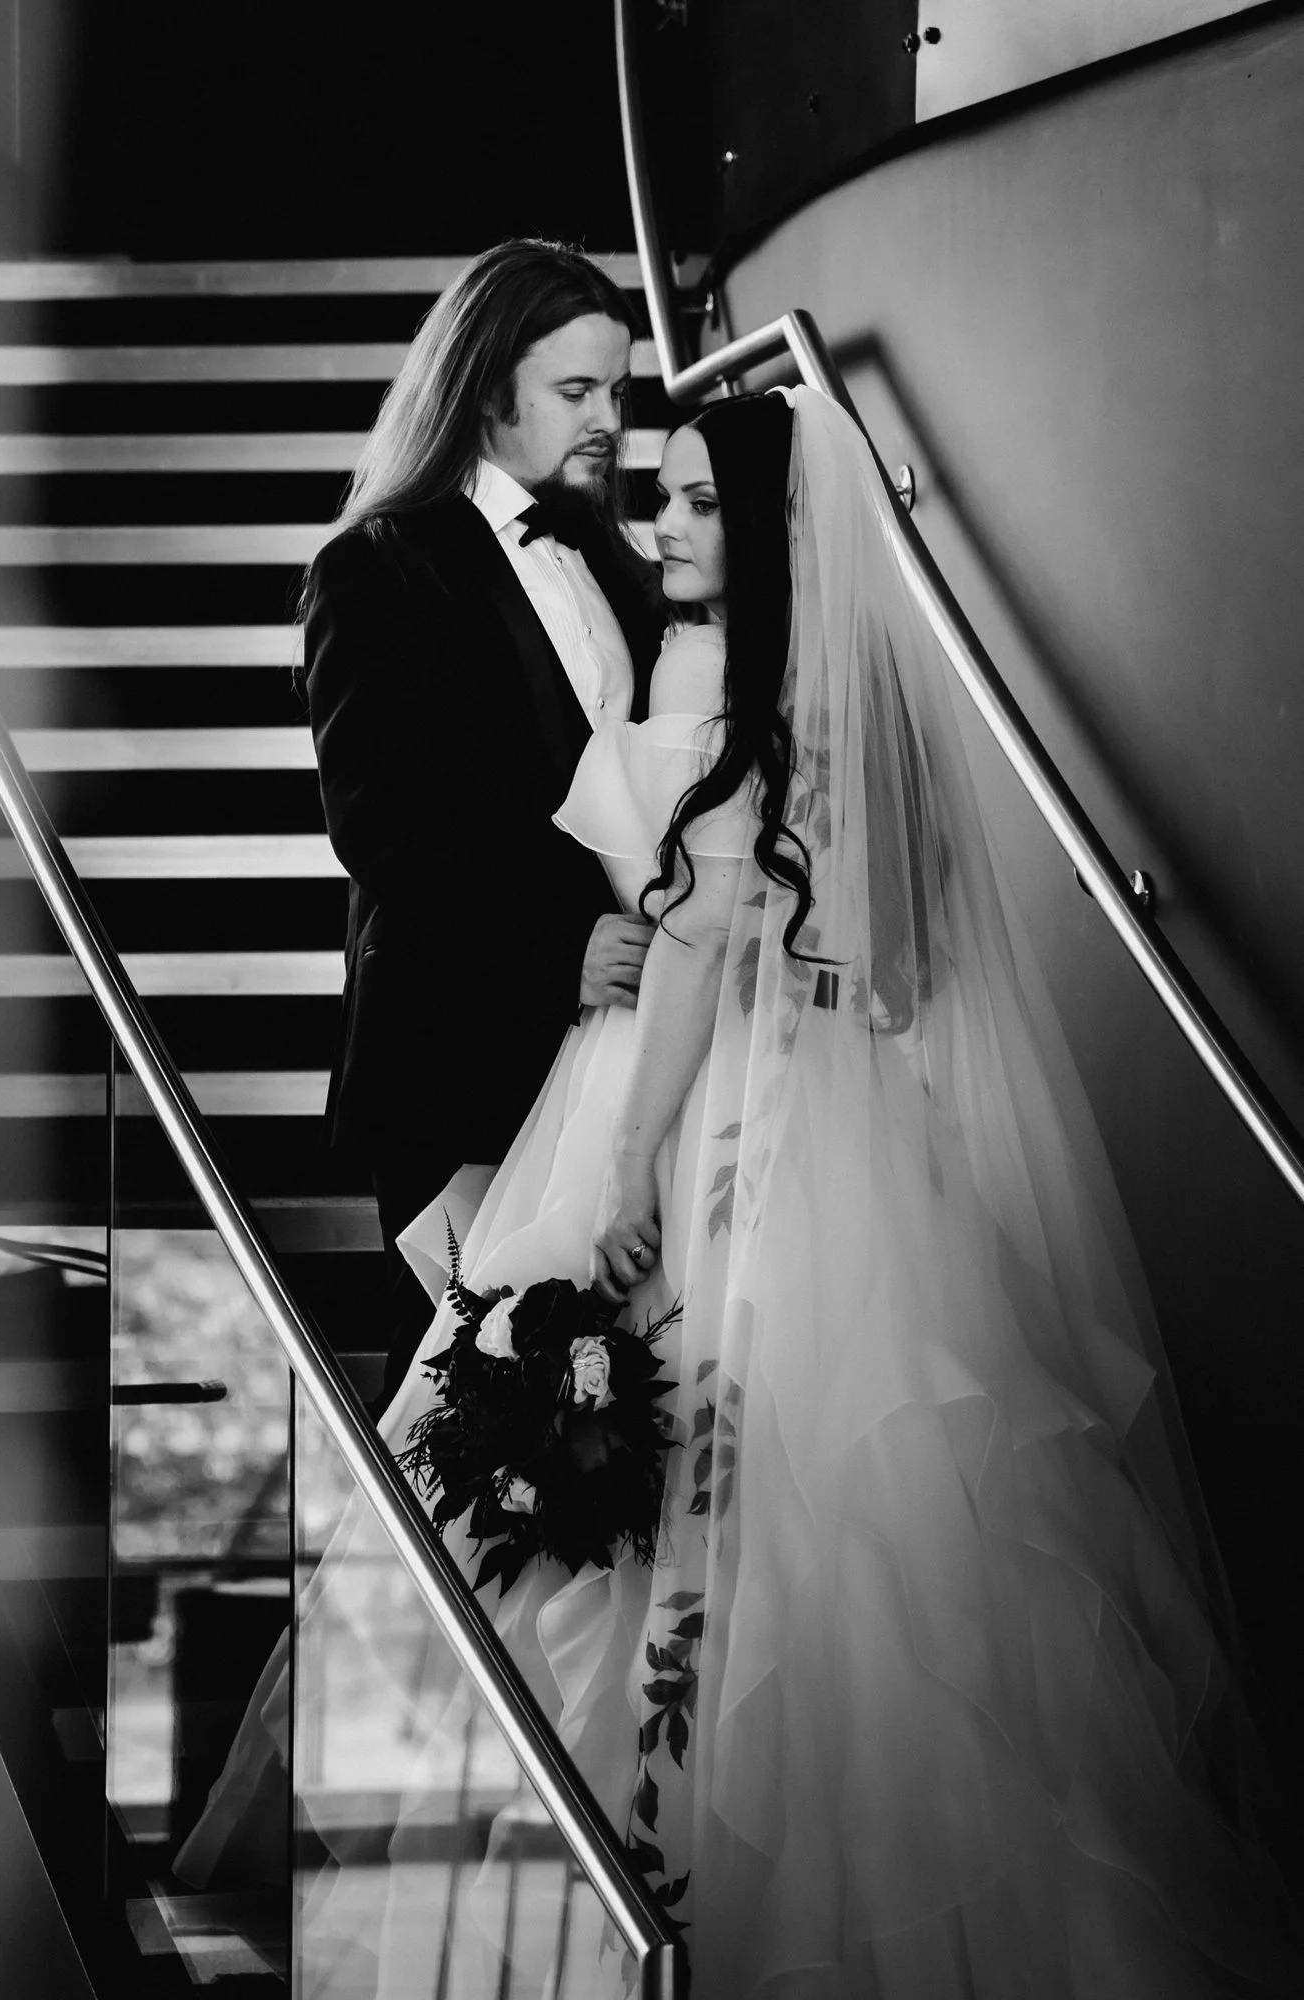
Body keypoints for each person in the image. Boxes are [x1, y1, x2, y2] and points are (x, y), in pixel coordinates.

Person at [352, 384, 1301, 1997]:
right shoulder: (812, 689)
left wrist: (636, 1159)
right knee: (821, 1486)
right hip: (815, 1103)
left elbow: (711, 943)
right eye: (659, 498)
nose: (666, 526)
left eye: (703, 503)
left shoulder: (737, 687)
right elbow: (871, 951)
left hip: (691, 1105)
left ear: (783, 525)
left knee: (738, 1474)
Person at [304, 239, 665, 1414]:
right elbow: (383, 830)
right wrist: (561, 947)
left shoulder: (613, 560)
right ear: (485, 383)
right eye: (577, 392)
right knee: (503, 1443)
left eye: (617, 389)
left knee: (626, 1429)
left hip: (618, 1062)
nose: (608, 419)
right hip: (459, 1066)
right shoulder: (376, 568)